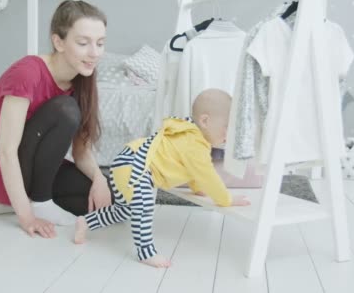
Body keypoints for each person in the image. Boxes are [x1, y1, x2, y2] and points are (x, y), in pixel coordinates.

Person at [0, 0, 112, 239]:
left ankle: (32, 199)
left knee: (108, 198)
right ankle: (36, 202)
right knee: (65, 110)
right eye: (83, 43)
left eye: (100, 43)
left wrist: (100, 179)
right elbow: (6, 151)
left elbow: (80, 152)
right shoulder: (27, 73)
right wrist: (27, 218)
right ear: (58, 42)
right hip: (2, 171)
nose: (94, 53)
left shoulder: (84, 78)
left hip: (44, 172)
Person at [73, 88, 251, 268]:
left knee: (124, 210)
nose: (229, 135)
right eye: (227, 127)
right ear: (205, 121)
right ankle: (145, 252)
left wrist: (197, 188)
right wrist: (226, 199)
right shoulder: (194, 143)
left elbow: (195, 171)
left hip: (125, 162)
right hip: (136, 166)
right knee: (144, 207)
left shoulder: (190, 134)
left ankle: (86, 221)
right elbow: (208, 176)